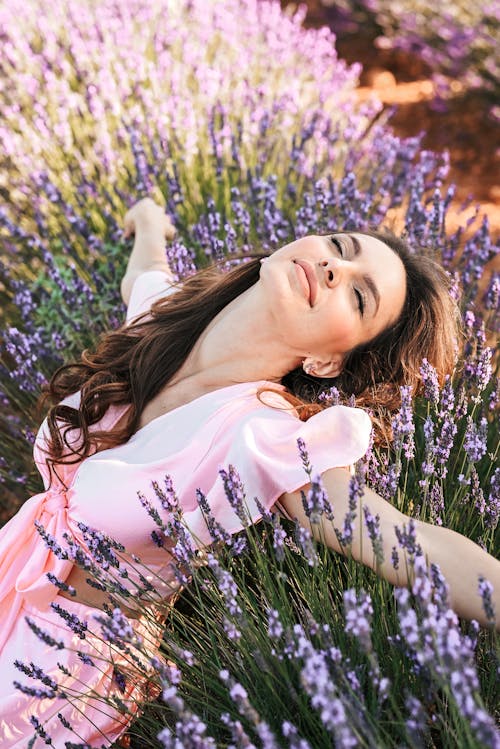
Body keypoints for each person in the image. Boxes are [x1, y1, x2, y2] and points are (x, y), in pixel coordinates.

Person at [0, 197, 498, 747]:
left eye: (357, 296)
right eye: (339, 247)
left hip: (57, 673)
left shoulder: (265, 437)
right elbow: (144, 274)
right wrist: (147, 219)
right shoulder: (165, 324)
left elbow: (404, 539)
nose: (335, 268)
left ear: (327, 363)